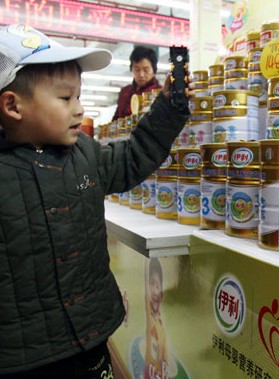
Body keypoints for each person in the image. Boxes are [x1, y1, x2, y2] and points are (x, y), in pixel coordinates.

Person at [0, 24, 189, 378]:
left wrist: (168, 110)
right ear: (13, 106)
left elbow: (133, 156)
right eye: (65, 98)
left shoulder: (84, 154)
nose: (79, 108)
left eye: (80, 95)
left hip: (90, 335)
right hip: (23, 353)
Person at [112, 45, 162, 120]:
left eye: (146, 70)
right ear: (131, 69)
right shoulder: (124, 93)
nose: (141, 75)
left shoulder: (161, 93)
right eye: (137, 69)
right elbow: (116, 120)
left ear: (154, 70)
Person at [144, 259, 169, 379]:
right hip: (149, 372)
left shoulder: (161, 324)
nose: (154, 291)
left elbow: (165, 358)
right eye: (151, 284)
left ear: (162, 294)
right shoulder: (149, 318)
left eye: (157, 286)